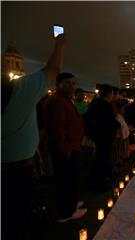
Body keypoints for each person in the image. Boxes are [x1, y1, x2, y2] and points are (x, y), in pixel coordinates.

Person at [1, 34, 66, 239]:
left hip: (16, 169)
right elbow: (52, 70)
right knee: (16, 222)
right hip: (15, 172)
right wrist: (60, 44)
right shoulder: (16, 90)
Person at [44, 72, 87, 222]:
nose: (71, 86)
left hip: (72, 146)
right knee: (65, 180)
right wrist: (67, 150)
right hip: (65, 150)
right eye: (67, 83)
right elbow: (57, 129)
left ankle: (71, 204)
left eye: (73, 83)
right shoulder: (57, 101)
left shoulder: (65, 99)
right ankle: (66, 213)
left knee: (71, 179)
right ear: (58, 84)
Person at [87, 84, 119, 192]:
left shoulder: (94, 102)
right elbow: (109, 121)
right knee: (103, 159)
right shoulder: (106, 105)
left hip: (97, 135)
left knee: (98, 158)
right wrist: (117, 125)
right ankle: (100, 184)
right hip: (105, 136)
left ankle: (95, 181)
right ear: (109, 93)